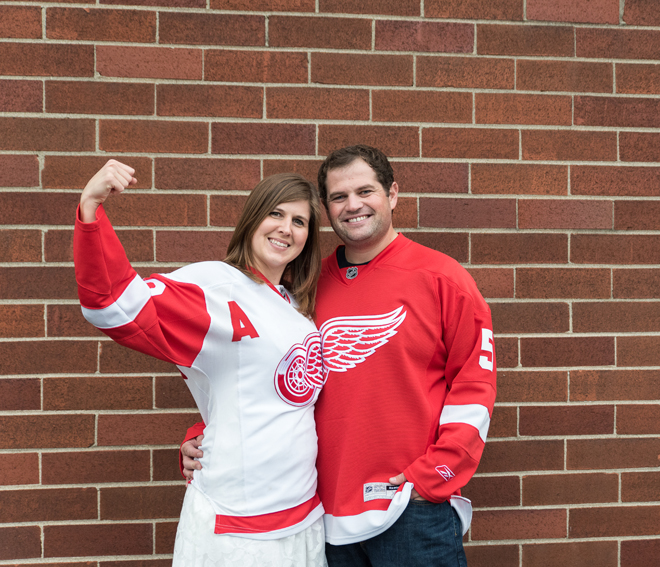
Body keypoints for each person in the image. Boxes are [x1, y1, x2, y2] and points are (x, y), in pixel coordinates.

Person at [182, 145, 497, 567]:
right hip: (322, 517)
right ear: (326, 210)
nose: (353, 206)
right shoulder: (305, 285)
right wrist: (210, 434)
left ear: (393, 195)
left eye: (365, 191)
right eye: (338, 197)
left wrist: (436, 473)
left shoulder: (443, 278)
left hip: (410, 510)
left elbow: (475, 384)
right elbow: (265, 374)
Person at [75, 160, 327, 567]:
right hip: (236, 526)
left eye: (300, 221)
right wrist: (91, 207)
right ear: (252, 219)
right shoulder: (214, 285)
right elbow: (114, 306)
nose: (286, 228)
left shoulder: (299, 307)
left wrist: (205, 429)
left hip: (304, 518)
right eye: (276, 213)